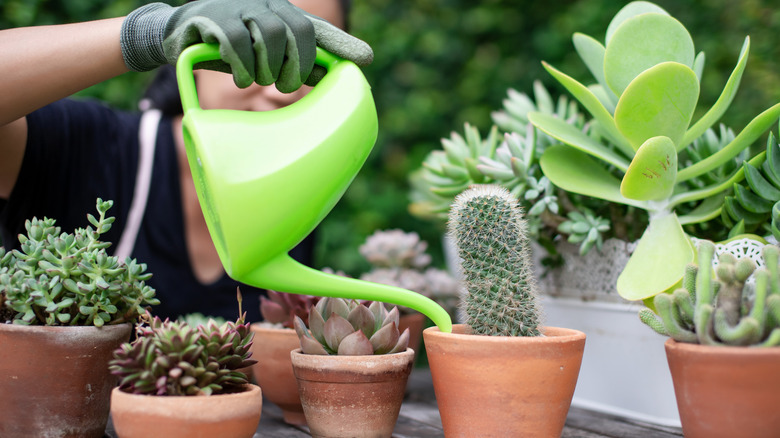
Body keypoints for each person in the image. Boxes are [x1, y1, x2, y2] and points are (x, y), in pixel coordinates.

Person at [0, 0, 373, 322]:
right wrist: (151, 34)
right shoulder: (91, 148)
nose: (279, 90)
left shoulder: (299, 192)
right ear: (196, 47)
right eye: (253, 47)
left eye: (309, 56)